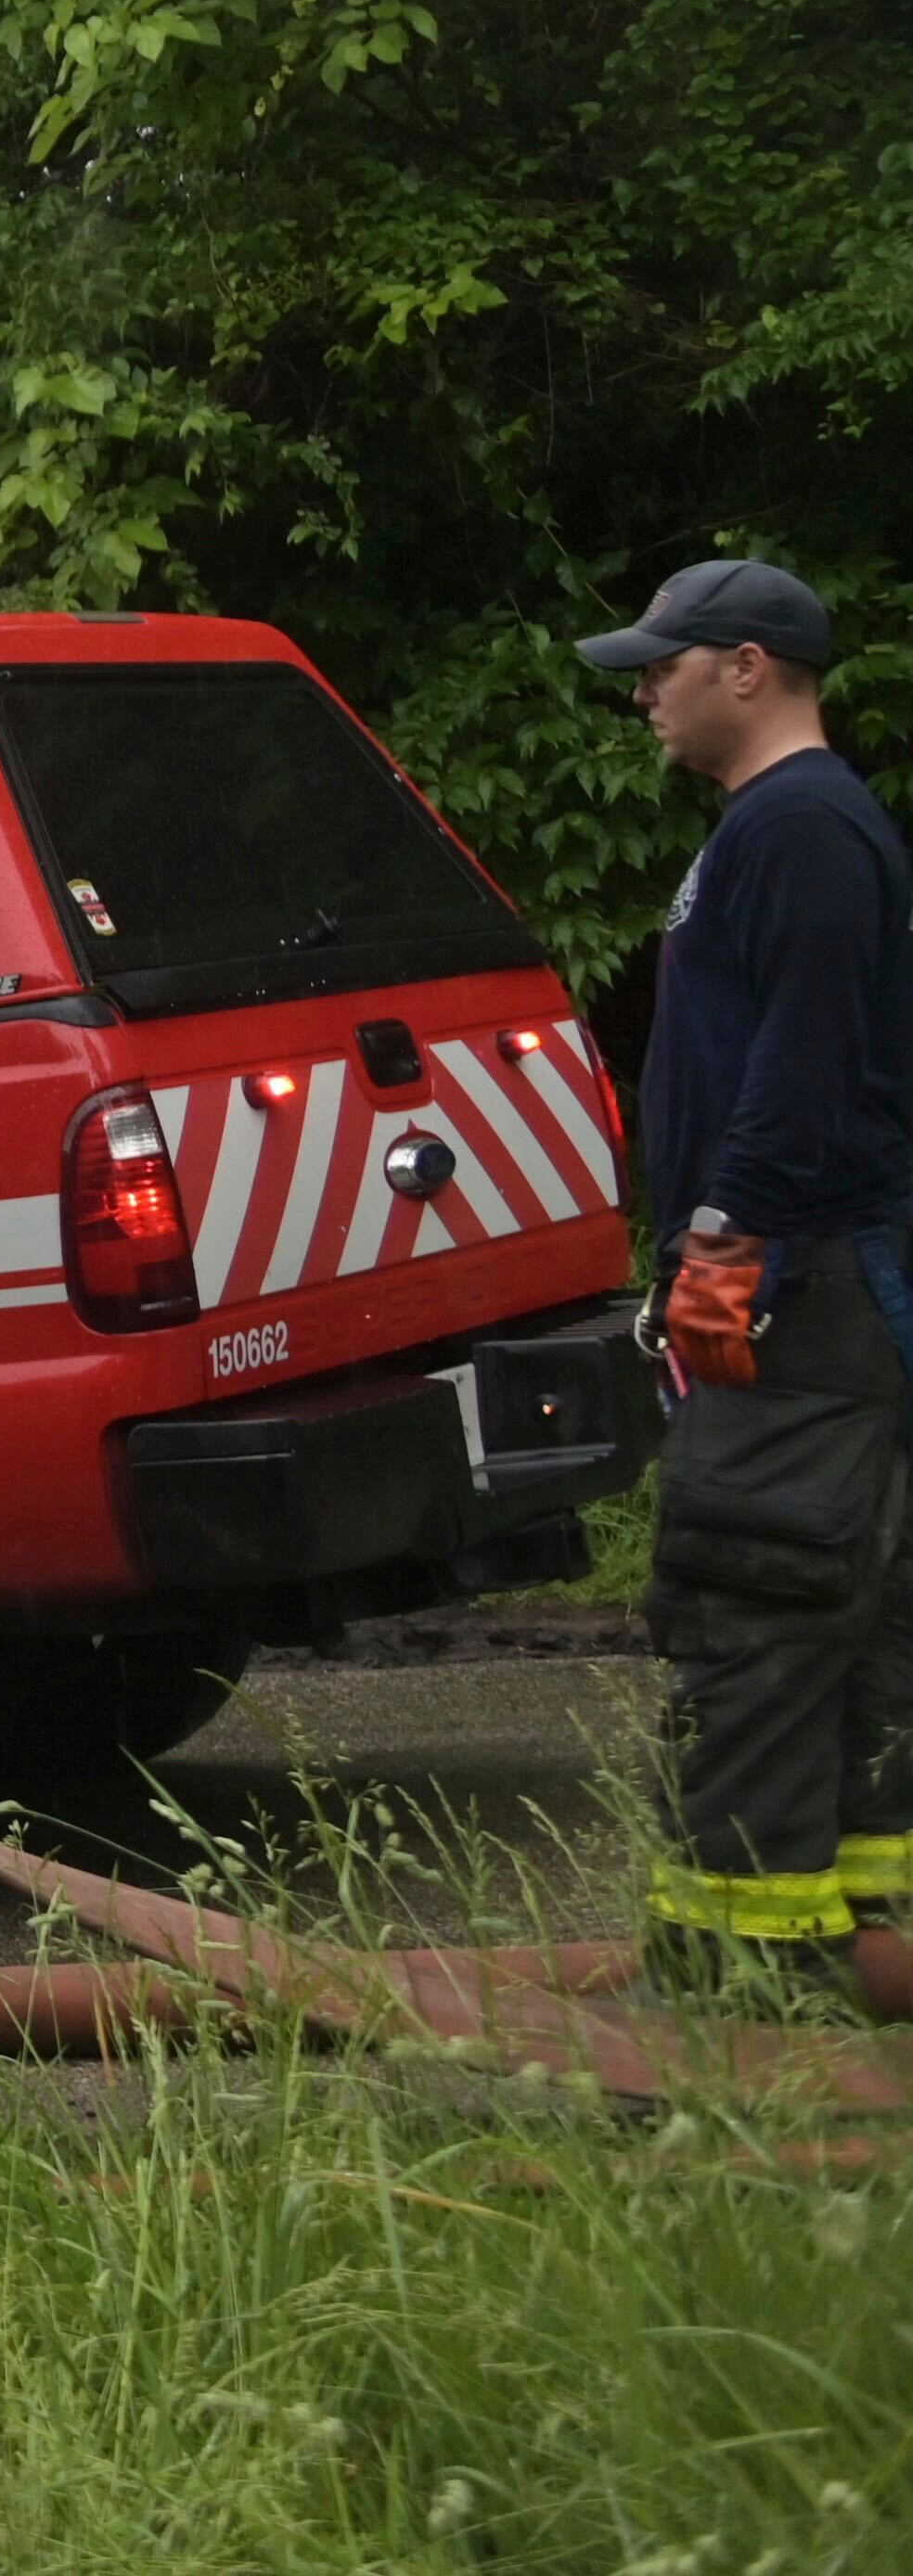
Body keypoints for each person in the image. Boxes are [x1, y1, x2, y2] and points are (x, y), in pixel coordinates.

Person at [578, 558, 913, 1994]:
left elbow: (807, 1054)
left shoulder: (805, 828)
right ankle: (847, 1929)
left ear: (750, 668)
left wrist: (724, 1235)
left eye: (666, 662)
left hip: (798, 1270)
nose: (643, 688)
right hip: (809, 1265)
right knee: (838, 1601)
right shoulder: (778, 826)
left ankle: (742, 1965)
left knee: (756, 1590)